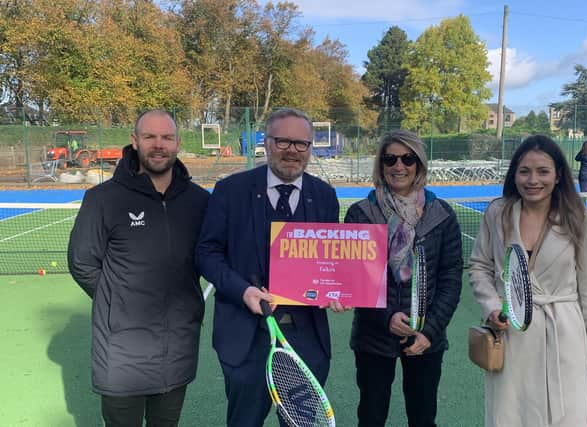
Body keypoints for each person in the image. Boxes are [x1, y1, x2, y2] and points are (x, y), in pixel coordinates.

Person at [195, 108, 345, 427]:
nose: (292, 150)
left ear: (310, 147)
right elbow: (207, 253)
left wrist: (337, 289)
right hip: (244, 341)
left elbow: (330, 262)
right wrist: (243, 290)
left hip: (306, 341)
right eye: (283, 141)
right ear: (266, 142)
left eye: (301, 143)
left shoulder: (325, 196)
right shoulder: (230, 191)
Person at [68, 110, 210, 427]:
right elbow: (82, 262)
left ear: (177, 143)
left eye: (167, 137)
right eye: (149, 137)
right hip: (122, 352)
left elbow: (212, 256)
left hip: (177, 349)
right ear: (134, 141)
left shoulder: (199, 202)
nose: (158, 145)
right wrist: (118, 300)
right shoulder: (102, 200)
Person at [469, 135, 587, 426]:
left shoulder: (582, 219)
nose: (533, 180)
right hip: (513, 339)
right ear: (514, 175)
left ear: (558, 174)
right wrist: (492, 307)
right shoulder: (497, 214)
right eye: (524, 171)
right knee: (511, 417)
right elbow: (480, 267)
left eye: (543, 171)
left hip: (566, 340)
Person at [343, 130, 463, 427]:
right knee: (371, 416)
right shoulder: (361, 213)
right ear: (381, 165)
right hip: (374, 335)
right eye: (390, 159)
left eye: (408, 158)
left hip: (426, 337)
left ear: (419, 164)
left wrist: (429, 331)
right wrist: (387, 318)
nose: (399, 166)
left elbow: (450, 278)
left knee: (423, 418)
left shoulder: (442, 214)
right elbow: (358, 278)